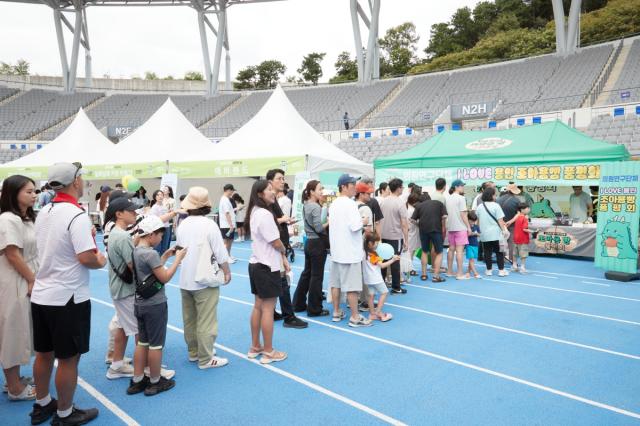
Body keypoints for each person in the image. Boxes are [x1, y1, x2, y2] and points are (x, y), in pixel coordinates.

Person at [30, 162, 107, 425]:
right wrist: (102, 259)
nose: (83, 180)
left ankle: (41, 404)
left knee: (43, 353)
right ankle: (64, 412)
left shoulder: (45, 210)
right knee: (68, 359)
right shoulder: (76, 215)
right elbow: (86, 257)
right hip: (68, 297)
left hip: (42, 294)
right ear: (75, 182)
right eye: (81, 176)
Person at [127, 216, 187, 397]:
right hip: (155, 304)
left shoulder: (136, 250)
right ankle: (155, 381)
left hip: (140, 303)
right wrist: (178, 259)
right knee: (156, 345)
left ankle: (137, 380)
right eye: (160, 235)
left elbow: (149, 272)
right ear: (151, 234)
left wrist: (166, 256)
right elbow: (164, 277)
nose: (161, 239)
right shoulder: (150, 254)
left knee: (142, 342)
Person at [177, 187, 231, 370]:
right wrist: (227, 271)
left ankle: (194, 352)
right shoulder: (209, 225)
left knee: (190, 319)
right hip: (205, 279)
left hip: (185, 278)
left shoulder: (182, 224)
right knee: (206, 320)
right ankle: (206, 358)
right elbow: (220, 252)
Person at [0, 175, 38, 401]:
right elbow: (13, 254)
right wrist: (32, 279)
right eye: (29, 191)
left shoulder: (25, 218)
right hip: (14, 279)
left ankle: (13, 379)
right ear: (13, 194)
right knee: (13, 331)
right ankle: (14, 387)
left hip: (24, 275)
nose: (34, 195)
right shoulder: (8, 219)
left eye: (35, 191)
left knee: (22, 329)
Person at [245, 180, 289, 364]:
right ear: (260, 194)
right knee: (268, 309)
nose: (273, 192)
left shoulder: (255, 212)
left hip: (256, 264)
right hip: (267, 266)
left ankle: (255, 347)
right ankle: (269, 351)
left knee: (258, 306)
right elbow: (275, 242)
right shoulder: (264, 214)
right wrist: (284, 252)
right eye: (269, 189)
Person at [266, 169, 307, 329]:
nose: (282, 181)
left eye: (283, 178)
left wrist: (285, 221)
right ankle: (288, 316)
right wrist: (281, 219)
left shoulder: (275, 199)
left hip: (279, 244)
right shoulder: (268, 201)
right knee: (283, 281)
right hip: (274, 246)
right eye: (279, 179)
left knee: (280, 280)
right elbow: (266, 220)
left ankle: (275, 312)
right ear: (270, 181)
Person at [329, 174, 371, 327]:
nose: (355, 186)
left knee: (336, 283)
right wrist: (364, 221)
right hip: (349, 252)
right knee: (352, 287)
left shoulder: (334, 204)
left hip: (337, 251)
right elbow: (355, 226)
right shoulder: (350, 204)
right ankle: (355, 317)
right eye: (352, 184)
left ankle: (336, 312)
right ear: (344, 186)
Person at [104, 198, 138, 380]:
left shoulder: (115, 233)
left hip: (118, 288)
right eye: (131, 211)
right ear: (119, 214)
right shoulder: (124, 236)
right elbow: (134, 265)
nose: (135, 213)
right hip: (126, 290)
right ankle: (145, 367)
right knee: (139, 331)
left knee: (123, 328)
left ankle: (117, 364)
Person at [293, 180, 330, 317]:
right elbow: (319, 228)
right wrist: (329, 222)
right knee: (316, 277)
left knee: (307, 274)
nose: (322, 192)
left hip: (309, 242)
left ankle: (298, 304)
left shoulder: (306, 205)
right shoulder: (315, 207)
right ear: (311, 191)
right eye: (320, 189)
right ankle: (315, 309)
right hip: (317, 244)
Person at [379, 178, 409, 294]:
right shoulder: (400, 202)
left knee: (383, 260)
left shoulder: (383, 201)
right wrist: (406, 240)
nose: (403, 189)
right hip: (395, 236)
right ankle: (396, 287)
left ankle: (381, 285)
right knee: (395, 261)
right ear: (398, 188)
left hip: (383, 235)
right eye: (402, 187)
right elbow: (404, 223)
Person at [412, 191, 447, 283]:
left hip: (423, 230)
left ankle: (424, 274)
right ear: (429, 198)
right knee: (439, 252)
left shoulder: (419, 206)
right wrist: (441, 224)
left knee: (424, 251)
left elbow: (412, 219)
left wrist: (418, 224)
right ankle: (436, 276)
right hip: (436, 229)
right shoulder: (439, 203)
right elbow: (445, 216)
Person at [362, 232, 397, 322]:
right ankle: (378, 312)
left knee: (371, 296)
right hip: (376, 278)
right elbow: (382, 266)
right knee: (384, 292)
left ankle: (372, 314)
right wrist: (393, 260)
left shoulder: (364, 252)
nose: (378, 245)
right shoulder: (373, 255)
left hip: (368, 278)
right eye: (376, 243)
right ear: (370, 243)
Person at [477, 187, 510, 277]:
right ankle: (501, 270)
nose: (495, 196)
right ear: (491, 195)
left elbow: (478, 221)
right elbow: (500, 220)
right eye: (495, 194)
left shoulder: (480, 206)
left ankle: (488, 270)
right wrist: (504, 230)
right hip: (496, 234)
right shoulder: (496, 206)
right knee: (499, 252)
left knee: (487, 252)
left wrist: (479, 231)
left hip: (484, 234)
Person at [445, 179, 471, 280]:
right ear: (456, 187)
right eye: (461, 186)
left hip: (451, 227)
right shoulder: (461, 198)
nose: (462, 187)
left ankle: (449, 271)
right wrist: (468, 227)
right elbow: (463, 214)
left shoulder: (448, 198)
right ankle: (460, 274)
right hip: (460, 227)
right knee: (459, 251)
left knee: (451, 249)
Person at [497, 182, 522, 269]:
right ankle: (511, 259)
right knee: (511, 242)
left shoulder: (498, 199)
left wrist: (502, 222)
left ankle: (501, 258)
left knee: (502, 242)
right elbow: (519, 213)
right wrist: (510, 221)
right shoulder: (517, 200)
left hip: (500, 224)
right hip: (511, 224)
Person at [149, 190, 177, 255]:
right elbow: (154, 220)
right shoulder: (154, 207)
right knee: (157, 247)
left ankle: (162, 262)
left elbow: (167, 217)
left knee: (165, 247)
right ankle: (156, 263)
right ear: (155, 197)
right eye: (158, 195)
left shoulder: (165, 206)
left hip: (167, 227)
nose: (160, 196)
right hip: (158, 229)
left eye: (161, 195)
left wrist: (170, 214)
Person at [513, 203, 535, 274]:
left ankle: (514, 266)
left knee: (515, 253)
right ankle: (522, 267)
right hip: (523, 239)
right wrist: (533, 231)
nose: (529, 209)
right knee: (523, 254)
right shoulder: (524, 218)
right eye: (527, 208)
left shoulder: (517, 217)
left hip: (516, 238)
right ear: (522, 210)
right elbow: (524, 229)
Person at [218, 184, 237, 263]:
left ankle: (228, 255)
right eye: (232, 191)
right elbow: (227, 213)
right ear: (228, 190)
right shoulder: (224, 200)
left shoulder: (226, 199)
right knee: (226, 242)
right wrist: (231, 225)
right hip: (226, 225)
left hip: (228, 224)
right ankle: (225, 257)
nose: (232, 192)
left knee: (230, 241)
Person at [466, 212, 481, 279]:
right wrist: (474, 233)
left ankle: (468, 272)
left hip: (475, 245)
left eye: (474, 221)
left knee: (471, 259)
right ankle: (475, 273)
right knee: (471, 259)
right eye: (471, 221)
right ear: (467, 219)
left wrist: (475, 233)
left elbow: (479, 234)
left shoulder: (476, 226)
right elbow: (467, 234)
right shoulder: (466, 226)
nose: (472, 223)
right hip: (469, 245)